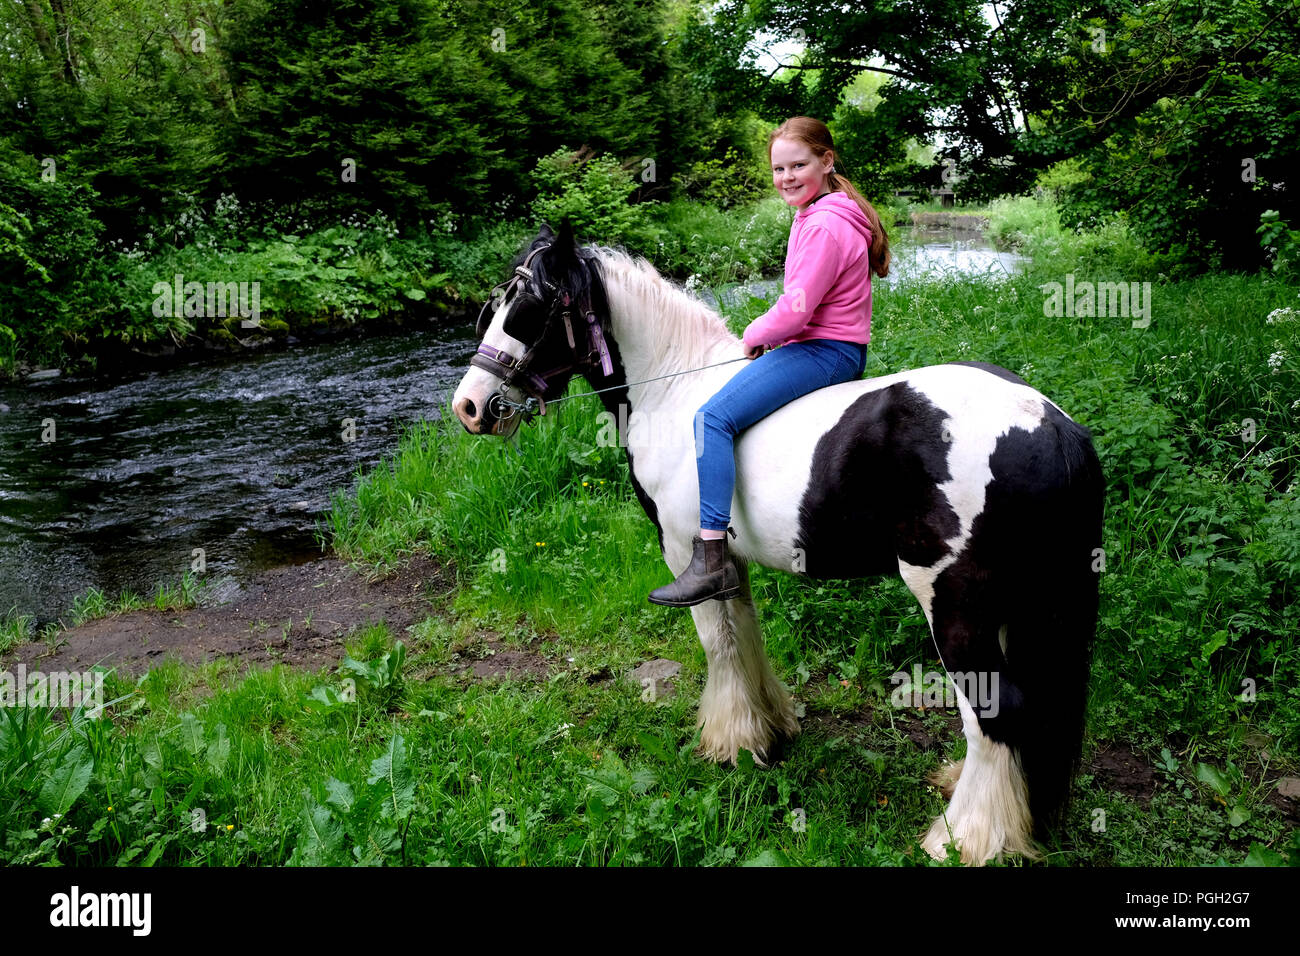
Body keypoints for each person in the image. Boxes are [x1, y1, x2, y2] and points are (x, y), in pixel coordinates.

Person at [648, 115, 892, 607]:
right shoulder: (821, 213)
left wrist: (756, 334)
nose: (787, 178)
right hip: (824, 346)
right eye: (779, 169)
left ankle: (712, 556)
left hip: (824, 352)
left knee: (711, 418)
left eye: (798, 165)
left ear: (826, 161)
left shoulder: (823, 224)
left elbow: (797, 308)